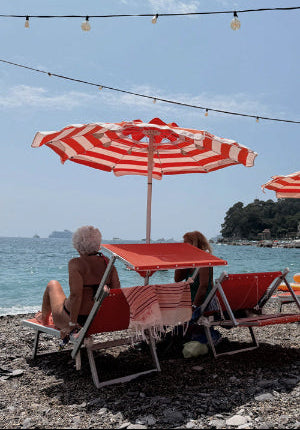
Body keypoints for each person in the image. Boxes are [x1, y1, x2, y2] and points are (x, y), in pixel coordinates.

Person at [35, 225, 120, 339]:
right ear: (98, 245)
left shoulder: (76, 264)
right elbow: (115, 292)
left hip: (74, 318)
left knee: (53, 284)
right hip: (96, 318)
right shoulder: (108, 263)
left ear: (77, 247)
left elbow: (76, 296)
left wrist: (72, 324)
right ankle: (44, 315)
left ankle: (44, 317)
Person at [174, 231, 213, 307]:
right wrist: (181, 259)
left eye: (186, 243)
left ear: (195, 244)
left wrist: (194, 307)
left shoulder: (204, 260)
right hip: (190, 302)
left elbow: (203, 287)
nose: (183, 246)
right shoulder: (191, 261)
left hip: (203, 304)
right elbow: (177, 279)